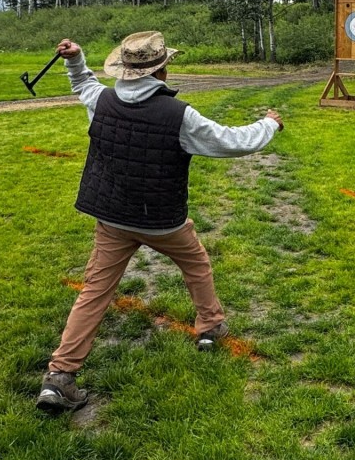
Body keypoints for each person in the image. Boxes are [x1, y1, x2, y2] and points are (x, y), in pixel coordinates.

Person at [36, 31, 283, 414]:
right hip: (163, 221)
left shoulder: (102, 100)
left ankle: (59, 377)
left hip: (112, 218)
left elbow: (84, 84)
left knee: (95, 292)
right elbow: (233, 141)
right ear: (162, 67)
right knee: (196, 263)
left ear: (126, 67)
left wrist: (76, 58)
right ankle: (211, 327)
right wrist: (268, 124)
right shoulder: (179, 114)